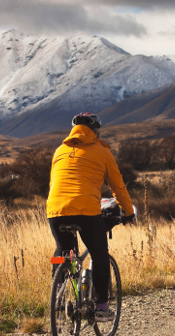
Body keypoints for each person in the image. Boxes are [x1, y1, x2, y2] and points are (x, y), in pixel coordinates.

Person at [47, 112, 135, 321]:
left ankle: (58, 292)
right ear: (96, 131)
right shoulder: (102, 152)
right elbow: (118, 187)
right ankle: (101, 307)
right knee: (99, 255)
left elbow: (53, 182)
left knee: (63, 250)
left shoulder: (60, 150)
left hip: (56, 209)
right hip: (86, 210)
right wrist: (129, 212)